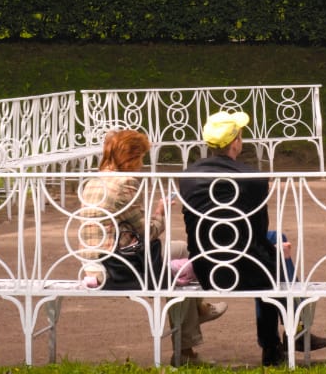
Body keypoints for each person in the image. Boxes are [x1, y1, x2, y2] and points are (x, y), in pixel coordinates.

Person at [180, 109, 326, 365]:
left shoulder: (186, 177)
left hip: (206, 264)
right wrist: (276, 253)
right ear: (236, 141)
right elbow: (257, 235)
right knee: (272, 263)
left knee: (274, 241)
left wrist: (272, 248)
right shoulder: (254, 178)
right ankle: (280, 340)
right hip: (243, 266)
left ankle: (295, 330)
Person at [79, 129, 226, 365]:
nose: (142, 164)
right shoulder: (125, 182)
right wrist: (160, 213)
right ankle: (186, 351)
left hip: (93, 261)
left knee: (184, 251)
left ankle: (199, 309)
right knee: (177, 275)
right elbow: (145, 234)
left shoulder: (95, 181)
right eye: (141, 158)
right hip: (118, 263)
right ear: (131, 157)